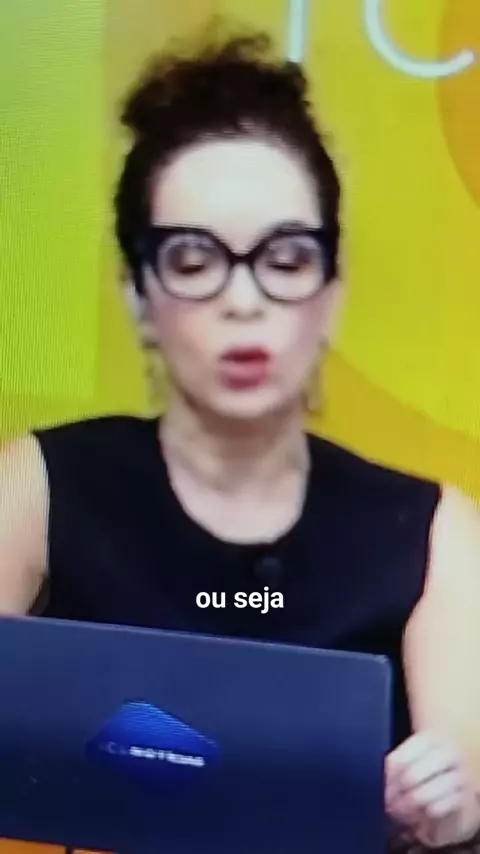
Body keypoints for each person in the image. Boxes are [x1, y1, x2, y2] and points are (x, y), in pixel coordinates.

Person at [1, 28, 480, 851]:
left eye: (285, 258)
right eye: (194, 259)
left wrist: (448, 802)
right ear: (139, 292)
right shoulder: (39, 487)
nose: (243, 300)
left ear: (331, 288)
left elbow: (467, 777)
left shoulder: (437, 531)